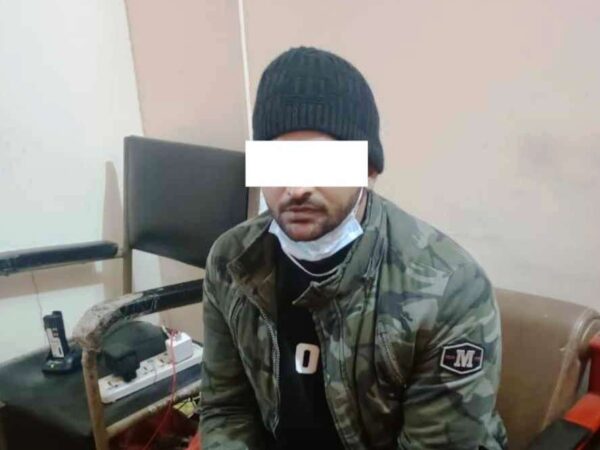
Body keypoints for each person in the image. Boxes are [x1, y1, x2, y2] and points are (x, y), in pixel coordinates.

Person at [199, 46, 507, 450]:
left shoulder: (448, 290)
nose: (296, 187)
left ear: (369, 168)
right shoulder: (232, 262)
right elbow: (226, 409)